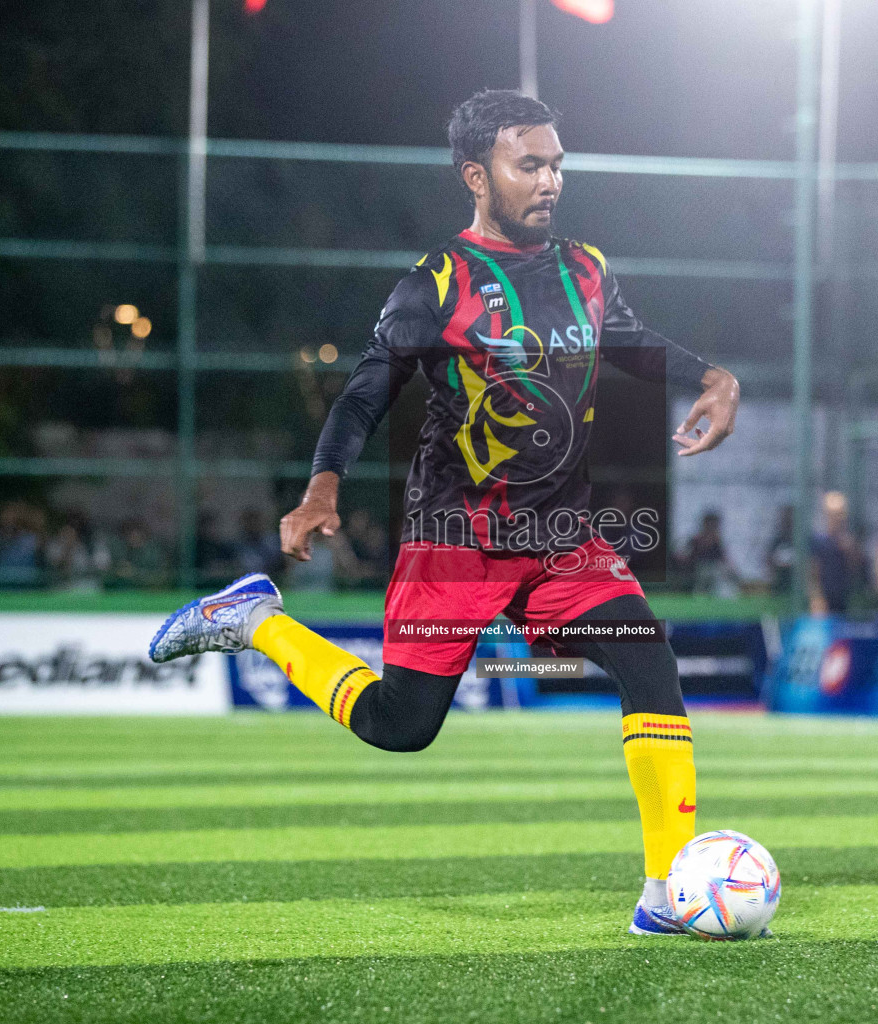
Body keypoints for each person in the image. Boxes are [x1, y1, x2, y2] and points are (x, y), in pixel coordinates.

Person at [150, 90, 740, 938]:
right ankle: (254, 623)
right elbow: (363, 395)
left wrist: (714, 375)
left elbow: (634, 342)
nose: (550, 181)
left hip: (561, 538)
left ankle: (667, 899)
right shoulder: (435, 287)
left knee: (651, 668)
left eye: (557, 164)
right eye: (528, 164)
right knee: (401, 727)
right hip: (453, 543)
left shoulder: (588, 269)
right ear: (477, 175)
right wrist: (323, 486)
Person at [809, 491, 861, 615]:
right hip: (824, 601)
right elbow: (812, 571)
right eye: (835, 514)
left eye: (841, 514)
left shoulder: (848, 541)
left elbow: (855, 572)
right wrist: (816, 598)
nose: (839, 518)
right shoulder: (818, 541)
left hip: (845, 600)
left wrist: (850, 552)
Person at [684, 510, 739, 598]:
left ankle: (726, 595)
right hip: (701, 566)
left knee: (726, 572)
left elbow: (723, 557)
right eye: (710, 523)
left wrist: (730, 567)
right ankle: (700, 595)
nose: (712, 526)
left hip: (715, 567)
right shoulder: (697, 538)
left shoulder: (717, 539)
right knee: (706, 573)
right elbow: (689, 555)